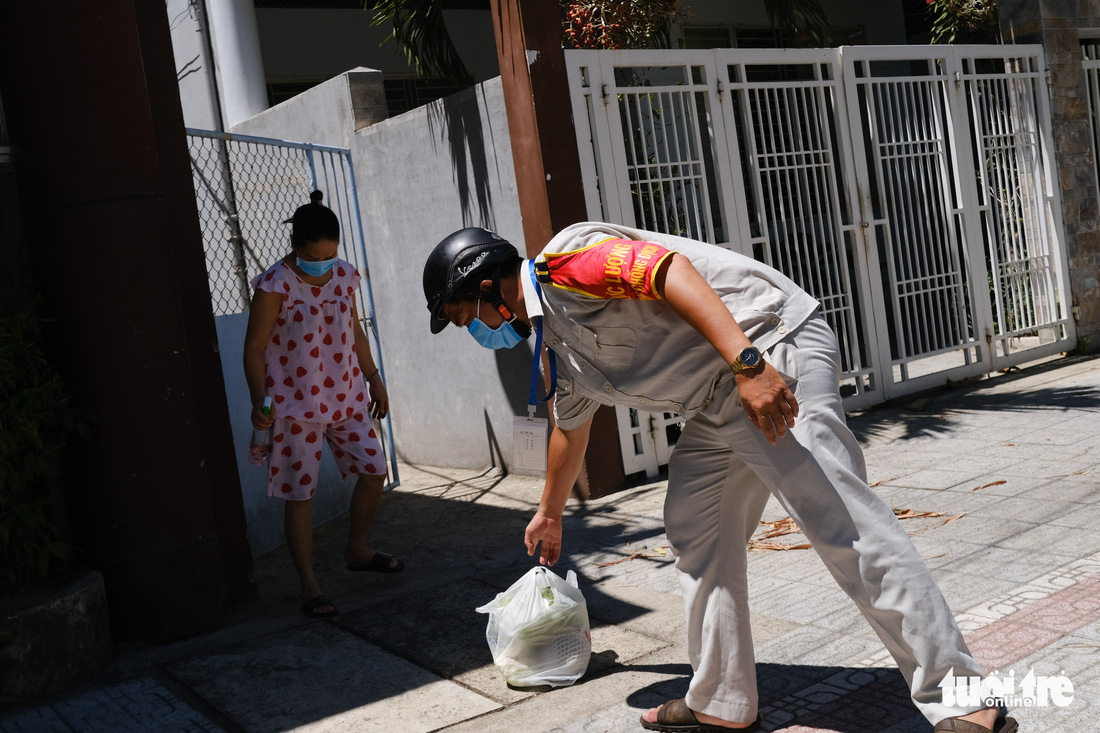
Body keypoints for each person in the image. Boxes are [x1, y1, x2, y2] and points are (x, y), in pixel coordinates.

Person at [422, 222, 1016, 733]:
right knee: (694, 523)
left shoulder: (567, 263)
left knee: (843, 525)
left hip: (767, 349)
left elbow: (666, 271)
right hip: (717, 397)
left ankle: (964, 696)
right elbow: (569, 432)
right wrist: (549, 512)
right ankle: (722, 702)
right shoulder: (556, 352)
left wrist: (749, 364)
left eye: (461, 316)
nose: (471, 331)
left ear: (484, 287)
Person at [245, 190, 402, 619]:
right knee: (300, 496)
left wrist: (374, 378)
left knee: (374, 470)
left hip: (347, 397)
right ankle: (310, 586)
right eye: (316, 258)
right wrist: (260, 399)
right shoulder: (274, 284)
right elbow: (254, 346)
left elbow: (354, 330)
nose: (325, 265)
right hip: (293, 408)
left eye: (331, 256)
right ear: (296, 246)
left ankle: (357, 549)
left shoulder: (345, 276)